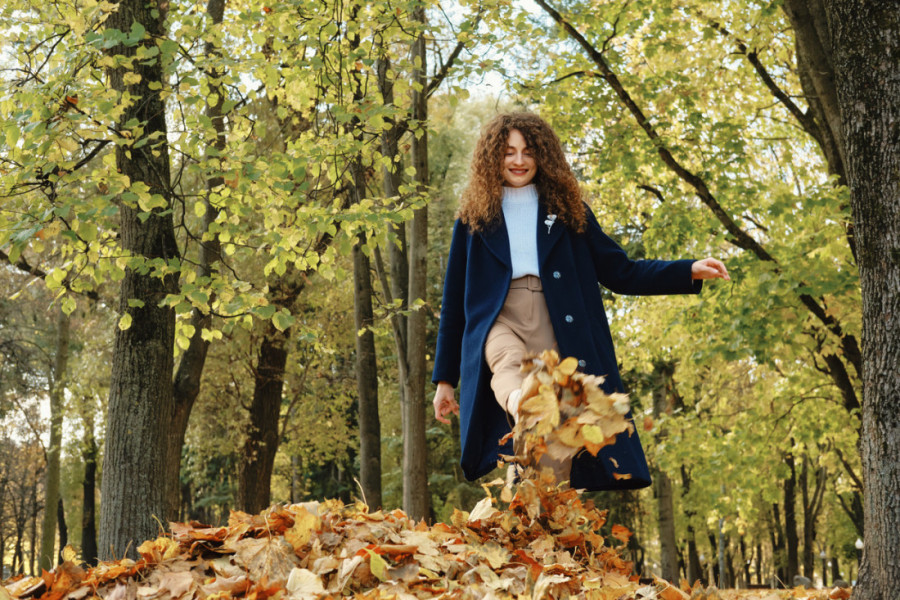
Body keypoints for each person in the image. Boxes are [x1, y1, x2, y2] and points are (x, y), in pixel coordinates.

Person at [431, 112, 729, 490]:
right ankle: (522, 400)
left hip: (557, 325)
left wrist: (686, 270)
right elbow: (454, 300)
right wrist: (444, 379)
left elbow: (621, 271)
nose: (518, 160)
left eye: (528, 152)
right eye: (508, 152)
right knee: (506, 363)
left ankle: (538, 525)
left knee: (551, 451)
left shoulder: (569, 212)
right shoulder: (473, 218)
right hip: (499, 319)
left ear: (544, 157)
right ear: (493, 157)